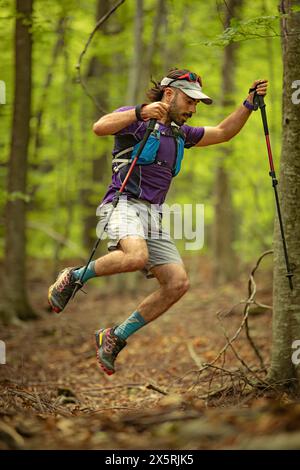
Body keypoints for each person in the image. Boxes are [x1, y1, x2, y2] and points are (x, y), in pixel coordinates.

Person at [48, 68, 268, 375]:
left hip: (153, 215)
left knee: (178, 283)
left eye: (196, 104)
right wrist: (138, 112)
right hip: (121, 205)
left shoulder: (180, 133)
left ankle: (114, 336)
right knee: (137, 256)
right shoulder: (138, 119)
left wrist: (248, 105)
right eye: (190, 102)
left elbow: (222, 132)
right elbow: (99, 126)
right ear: (169, 94)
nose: (193, 109)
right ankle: (74, 276)